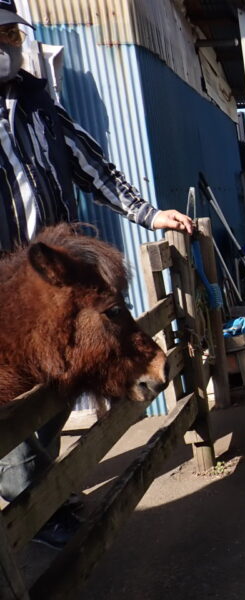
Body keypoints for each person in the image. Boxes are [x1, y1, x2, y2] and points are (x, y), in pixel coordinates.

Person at [0, 2, 192, 549]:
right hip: (9, 293)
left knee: (56, 388)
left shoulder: (38, 103)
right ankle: (32, 508)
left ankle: (44, 493)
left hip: (59, 279)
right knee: (12, 399)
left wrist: (147, 213)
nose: (11, 45)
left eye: (14, 34)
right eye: (2, 34)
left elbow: (92, 165)